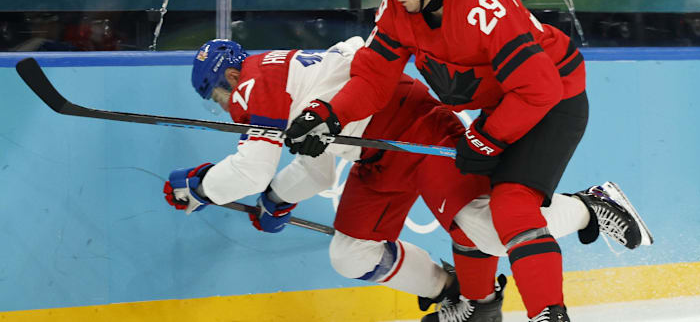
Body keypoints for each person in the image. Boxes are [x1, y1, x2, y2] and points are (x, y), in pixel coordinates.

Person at [283, 0, 653, 322]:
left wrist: (487, 139)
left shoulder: (482, 6)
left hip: (553, 99)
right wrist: (326, 114)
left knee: (512, 207)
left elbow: (538, 90)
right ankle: (479, 304)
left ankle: (560, 281)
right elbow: (373, 79)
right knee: (469, 213)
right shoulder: (398, 11)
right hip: (507, 103)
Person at [164, 37, 652, 322]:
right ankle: (450, 291)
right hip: (377, 155)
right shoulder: (278, 71)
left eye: (216, 98)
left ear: (225, 81)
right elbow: (311, 164)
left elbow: (250, 166)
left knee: (486, 229)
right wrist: (277, 198)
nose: (223, 108)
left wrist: (200, 186)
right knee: (349, 253)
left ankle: (590, 204)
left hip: (418, 132)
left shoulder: (252, 82)